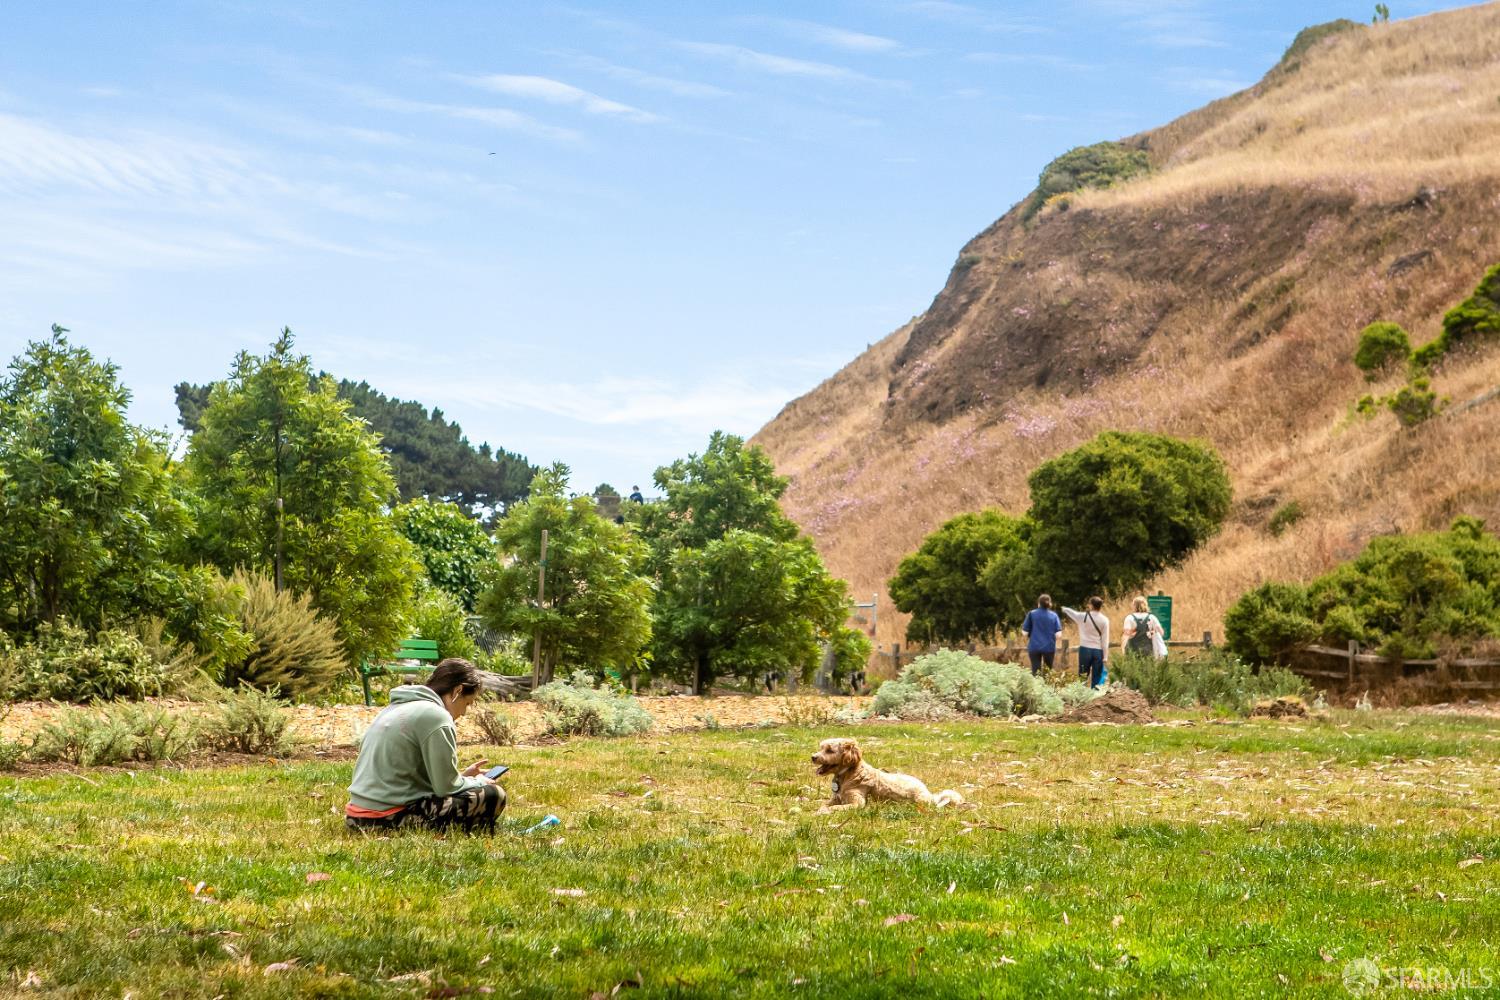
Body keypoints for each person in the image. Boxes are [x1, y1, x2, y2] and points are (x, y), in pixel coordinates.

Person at [345, 658, 505, 834]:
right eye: (467, 703)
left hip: (355, 818)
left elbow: (409, 777)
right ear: (457, 691)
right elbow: (445, 788)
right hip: (386, 819)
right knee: (494, 795)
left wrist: (461, 778)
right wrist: (477, 782)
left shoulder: (396, 707)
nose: (464, 712)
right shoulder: (437, 716)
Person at [1061, 596, 1110, 688]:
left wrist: (1064, 609)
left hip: (1085, 649)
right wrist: (1105, 656)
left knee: (1082, 676)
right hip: (1098, 651)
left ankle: (1082, 696)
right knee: (1097, 677)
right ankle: (1095, 697)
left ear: (1091, 605)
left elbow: (1072, 613)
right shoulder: (1105, 620)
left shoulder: (1083, 616)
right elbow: (1105, 640)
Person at [1019, 594, 1063, 676]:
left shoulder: (1032, 614)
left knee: (1036, 671)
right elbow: (1058, 635)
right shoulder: (1054, 615)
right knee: (1048, 672)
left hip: (1034, 647)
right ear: (1050, 604)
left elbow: (1025, 633)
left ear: (1038, 603)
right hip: (1049, 647)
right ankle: (1046, 687)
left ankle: (1037, 687)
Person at [1121, 596, 1166, 661]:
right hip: (1148, 651)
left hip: (1132, 651)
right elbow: (1161, 632)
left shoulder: (1130, 618)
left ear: (1134, 606)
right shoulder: (1152, 617)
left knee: (1133, 670)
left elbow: (1126, 635)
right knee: (1148, 670)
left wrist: (1123, 650)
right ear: (1145, 605)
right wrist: (1152, 632)